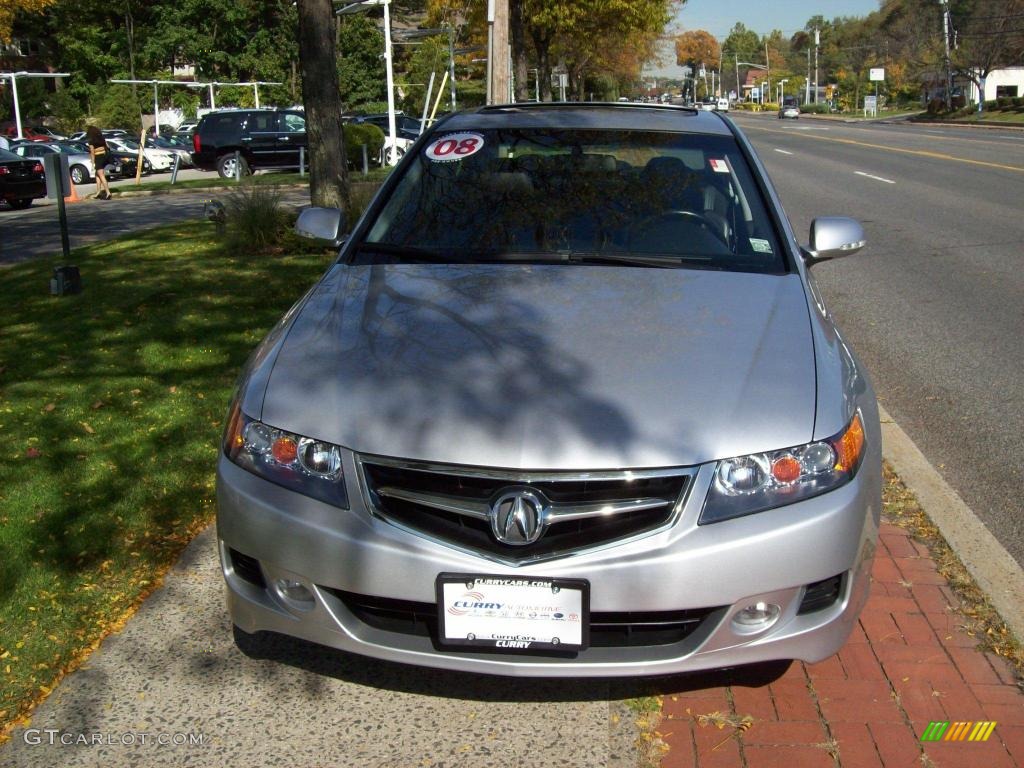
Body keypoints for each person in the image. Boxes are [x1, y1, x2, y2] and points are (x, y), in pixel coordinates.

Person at [85, 125, 112, 200]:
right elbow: (108, 147)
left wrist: (93, 163)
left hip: (98, 158)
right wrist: (101, 149)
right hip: (104, 156)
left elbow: (92, 152)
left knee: (101, 175)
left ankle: (108, 192)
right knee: (97, 175)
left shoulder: (91, 141)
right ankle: (98, 192)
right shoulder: (102, 138)